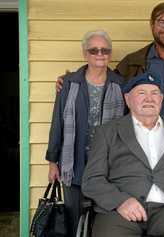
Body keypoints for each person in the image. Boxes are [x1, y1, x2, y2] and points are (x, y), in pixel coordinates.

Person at [81, 72, 164, 237]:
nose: (149, 99)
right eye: (142, 93)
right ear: (127, 99)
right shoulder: (107, 132)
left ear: (161, 99)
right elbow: (92, 179)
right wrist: (120, 201)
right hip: (119, 213)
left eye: (154, 93)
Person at [45, 30, 125, 237]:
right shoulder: (69, 83)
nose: (100, 54)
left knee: (103, 222)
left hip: (108, 166)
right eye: (94, 50)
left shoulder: (120, 84)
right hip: (74, 163)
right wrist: (53, 162)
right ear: (85, 54)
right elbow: (58, 123)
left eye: (105, 50)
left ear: (110, 53)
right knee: (73, 220)